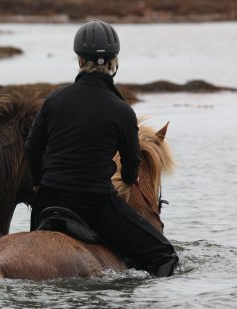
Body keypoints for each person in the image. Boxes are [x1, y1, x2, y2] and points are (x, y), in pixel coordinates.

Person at [24, 19, 179, 277]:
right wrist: (130, 177)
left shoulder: (54, 100)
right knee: (165, 255)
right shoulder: (121, 110)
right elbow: (130, 168)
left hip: (47, 201)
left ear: (79, 60)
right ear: (114, 62)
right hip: (93, 204)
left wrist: (38, 181)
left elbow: (32, 147)